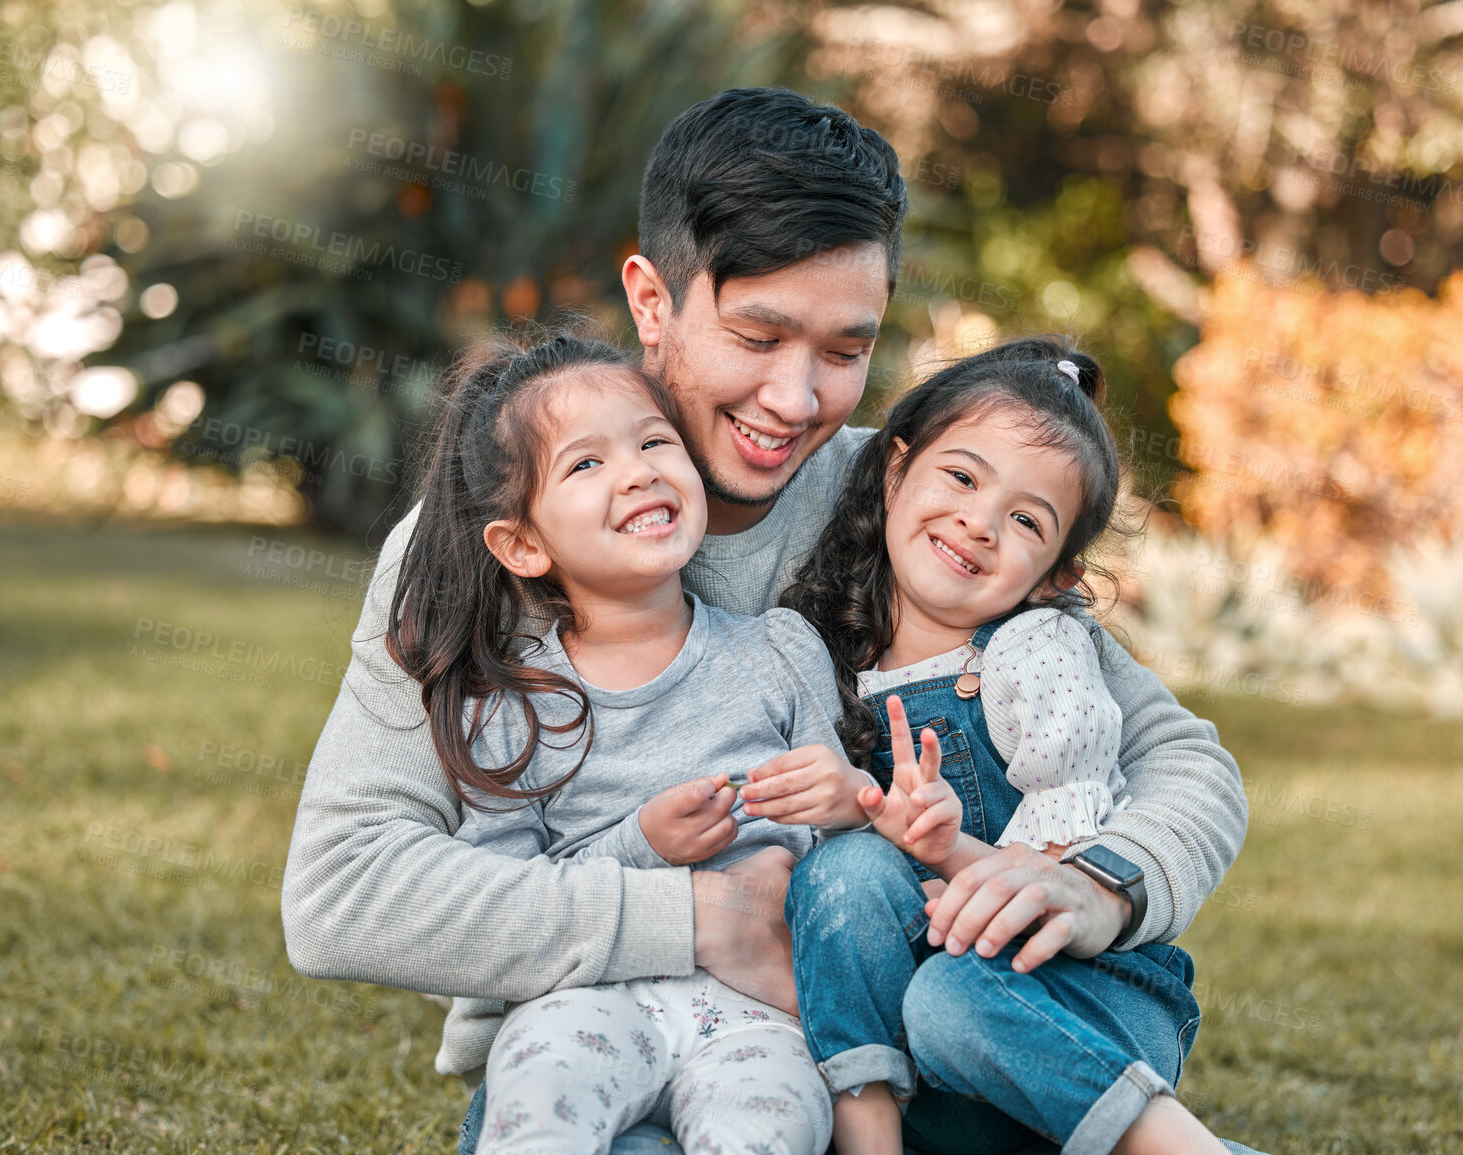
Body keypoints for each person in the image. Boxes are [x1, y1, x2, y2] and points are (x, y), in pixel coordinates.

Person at [280, 87, 1253, 1155]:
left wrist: (1098, 882)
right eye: (758, 334)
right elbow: (345, 889)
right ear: (652, 302)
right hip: (601, 1034)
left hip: (884, 1059)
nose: (795, 398)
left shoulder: (916, 503)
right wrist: (697, 921)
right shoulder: (482, 540)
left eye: (845, 350)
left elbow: (1181, 758)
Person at [389, 331, 865, 1152]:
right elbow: (506, 901)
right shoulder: (509, 703)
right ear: (523, 544)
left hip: (759, 1011)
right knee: (539, 1111)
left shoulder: (777, 652)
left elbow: (846, 859)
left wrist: (847, 800)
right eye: (585, 464)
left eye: (653, 442)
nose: (639, 470)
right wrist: (640, 843)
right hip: (586, 999)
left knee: (769, 1130)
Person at [763, 338, 1222, 1154]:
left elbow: (1039, 892)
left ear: (1054, 576)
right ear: (895, 470)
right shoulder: (823, 650)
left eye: (1024, 521)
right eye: (963, 478)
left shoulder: (1032, 654)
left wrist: (944, 847)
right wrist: (862, 813)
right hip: (942, 1067)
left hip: (1077, 1002)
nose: (978, 523)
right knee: (846, 872)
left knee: (949, 997)